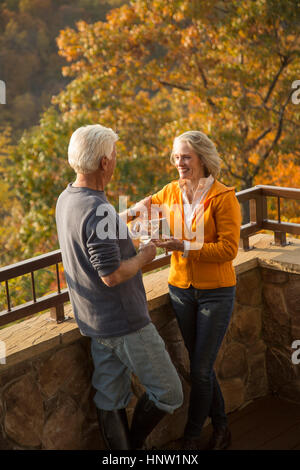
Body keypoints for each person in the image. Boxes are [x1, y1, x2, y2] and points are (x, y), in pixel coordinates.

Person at [55, 124, 183, 450]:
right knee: (169, 392)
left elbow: (94, 232)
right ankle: (135, 447)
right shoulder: (98, 209)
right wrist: (145, 256)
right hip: (126, 322)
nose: (115, 160)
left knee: (110, 397)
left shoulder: (68, 198)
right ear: (104, 163)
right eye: (114, 154)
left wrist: (128, 214)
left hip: (95, 322)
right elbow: (111, 274)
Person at [136, 130, 241, 450]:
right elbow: (142, 208)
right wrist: (121, 218)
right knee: (202, 368)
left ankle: (194, 436)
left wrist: (184, 245)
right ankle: (222, 427)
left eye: (186, 157)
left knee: (199, 368)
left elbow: (228, 250)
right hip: (180, 289)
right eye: (176, 157)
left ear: (202, 159)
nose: (179, 163)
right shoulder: (170, 192)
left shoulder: (223, 198)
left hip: (216, 292)